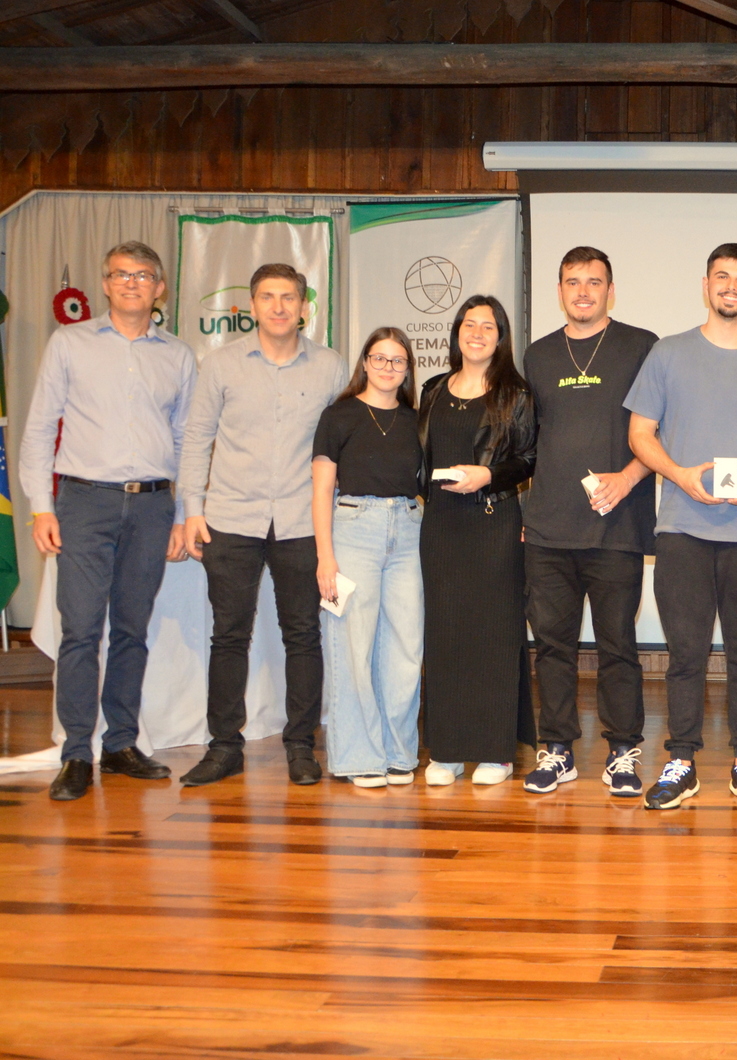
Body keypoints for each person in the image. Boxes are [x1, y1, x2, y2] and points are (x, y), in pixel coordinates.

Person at [625, 243, 737, 811]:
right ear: (705, 285)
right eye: (722, 276)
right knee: (685, 652)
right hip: (682, 528)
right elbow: (640, 434)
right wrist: (678, 474)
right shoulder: (667, 353)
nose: (732, 286)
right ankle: (681, 760)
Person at [20, 241, 195, 802]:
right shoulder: (69, 344)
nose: (131, 283)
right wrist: (41, 506)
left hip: (151, 506)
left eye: (142, 275)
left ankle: (120, 744)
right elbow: (39, 428)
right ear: (105, 284)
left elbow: (186, 442)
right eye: (121, 274)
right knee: (80, 630)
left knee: (131, 630)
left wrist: (183, 515)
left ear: (159, 288)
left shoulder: (178, 356)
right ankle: (77, 752)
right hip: (83, 503)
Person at [178, 263, 347, 787]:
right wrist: (192, 509)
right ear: (251, 306)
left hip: (302, 521)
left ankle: (300, 746)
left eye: (288, 297)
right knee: (229, 636)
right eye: (268, 297)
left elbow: (343, 447)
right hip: (230, 519)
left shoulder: (331, 367)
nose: (278, 306)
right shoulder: (220, 365)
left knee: (303, 636)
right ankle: (224, 747)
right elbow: (196, 437)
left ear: (304, 306)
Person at [520, 248, 658, 797]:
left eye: (594, 282)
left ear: (610, 290)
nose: (583, 291)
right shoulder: (537, 355)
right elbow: (528, 443)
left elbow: (662, 430)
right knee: (553, 647)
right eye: (573, 282)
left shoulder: (642, 347)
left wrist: (628, 478)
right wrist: (525, 513)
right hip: (548, 530)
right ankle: (557, 751)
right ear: (559, 290)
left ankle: (622, 752)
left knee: (617, 645)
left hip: (616, 527)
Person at [417, 295, 537, 787]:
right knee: (445, 634)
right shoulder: (432, 390)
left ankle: (495, 751)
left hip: (493, 523)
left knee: (494, 634)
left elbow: (528, 458)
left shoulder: (515, 393)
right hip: (441, 526)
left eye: (489, 326)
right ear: (457, 332)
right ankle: (445, 751)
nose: (478, 333)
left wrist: (487, 475)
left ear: (500, 337)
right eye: (470, 324)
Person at [311, 328, 425, 789]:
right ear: (364, 361)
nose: (388, 367)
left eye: (398, 360)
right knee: (352, 646)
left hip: (409, 529)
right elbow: (322, 490)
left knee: (406, 649)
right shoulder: (338, 416)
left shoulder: (417, 420)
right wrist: (325, 558)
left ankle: (398, 753)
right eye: (380, 358)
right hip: (353, 528)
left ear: (407, 369)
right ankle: (358, 756)